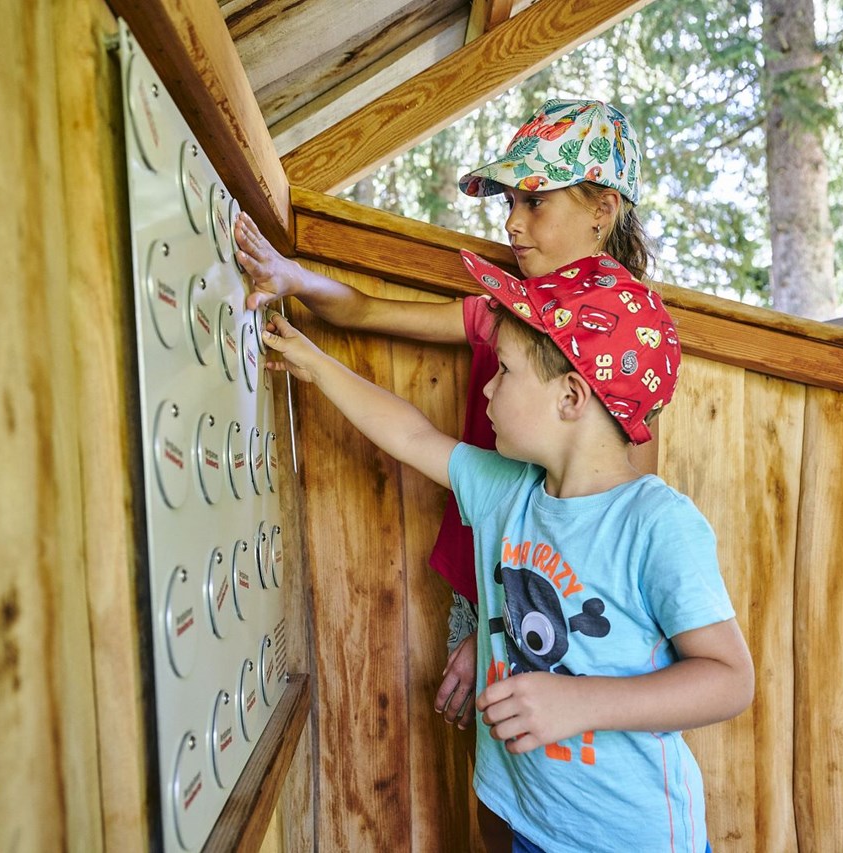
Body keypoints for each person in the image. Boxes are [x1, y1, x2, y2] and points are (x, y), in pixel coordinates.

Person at [256, 231, 754, 850]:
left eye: (505, 371)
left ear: (570, 397)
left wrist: (581, 703)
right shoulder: (506, 490)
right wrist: (313, 363)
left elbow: (729, 679)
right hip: (524, 816)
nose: (487, 388)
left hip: (627, 837)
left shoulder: (656, 523)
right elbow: (411, 436)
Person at [233, 100, 659, 740]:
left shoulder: (628, 343)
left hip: (567, 603)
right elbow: (367, 312)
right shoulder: (502, 309)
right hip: (487, 574)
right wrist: (295, 278)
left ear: (603, 209)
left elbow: (618, 512)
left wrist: (496, 630)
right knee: (501, 764)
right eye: (508, 203)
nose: (512, 223)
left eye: (534, 202)